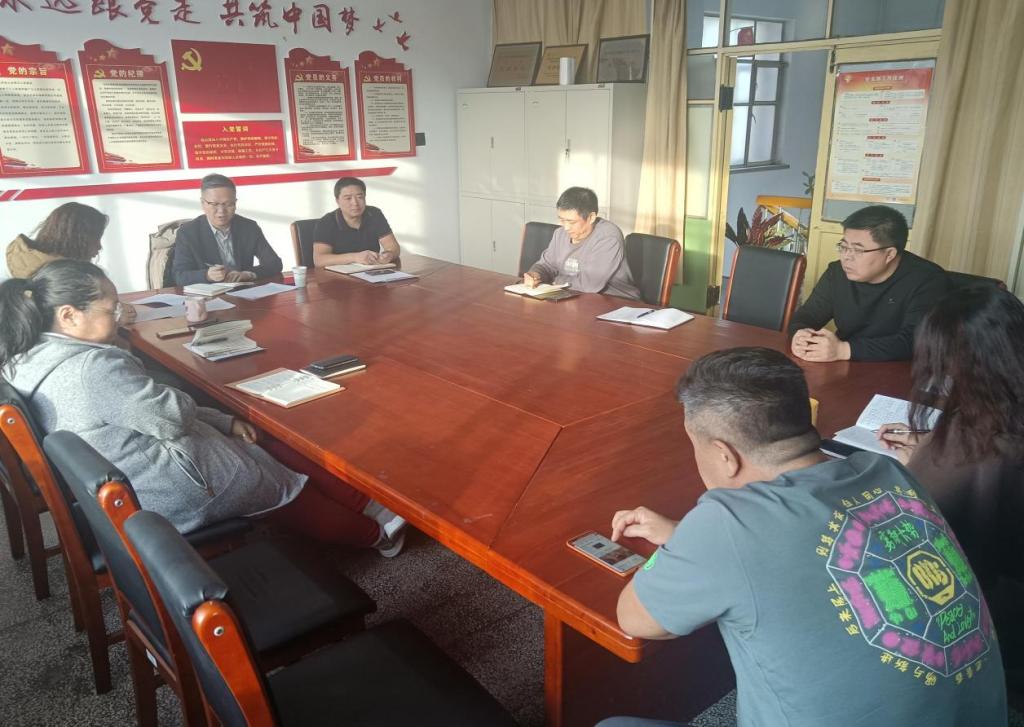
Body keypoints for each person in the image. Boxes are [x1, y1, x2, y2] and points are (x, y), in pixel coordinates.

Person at [601, 347, 1005, 727]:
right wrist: (692, 541)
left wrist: (687, 540)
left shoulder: (724, 525)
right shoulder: (889, 472)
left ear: (726, 456)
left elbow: (635, 618)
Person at [0, 260, 406, 556]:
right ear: (68, 316)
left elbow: (144, 411)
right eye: (111, 309)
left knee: (254, 434)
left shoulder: (27, 354)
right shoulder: (94, 368)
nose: (120, 316)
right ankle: (376, 533)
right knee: (274, 481)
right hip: (163, 492)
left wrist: (220, 418)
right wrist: (167, 384)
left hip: (130, 475)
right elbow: (170, 414)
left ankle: (371, 506)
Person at [877, 286, 1024, 685]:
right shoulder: (999, 415)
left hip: (981, 620)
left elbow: (917, 525)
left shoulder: (979, 440)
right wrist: (930, 449)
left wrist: (925, 461)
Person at [788, 205, 948, 362]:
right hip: (845, 364)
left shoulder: (928, 281)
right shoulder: (837, 273)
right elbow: (809, 315)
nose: (846, 257)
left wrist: (843, 350)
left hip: (899, 370)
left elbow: (914, 341)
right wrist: (800, 334)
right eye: (843, 246)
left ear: (889, 254)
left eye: (858, 250)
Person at [523, 187, 639, 300]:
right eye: (562, 220)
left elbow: (589, 284)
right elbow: (547, 265)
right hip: (573, 297)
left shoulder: (608, 237)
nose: (566, 227)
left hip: (616, 301)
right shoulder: (560, 234)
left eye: (571, 222)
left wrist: (554, 280)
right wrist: (536, 274)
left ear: (591, 217)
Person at [172, 174, 283, 286]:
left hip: (244, 291)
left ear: (235, 203)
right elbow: (179, 276)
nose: (221, 211)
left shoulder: (249, 227)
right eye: (214, 204)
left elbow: (274, 263)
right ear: (203, 203)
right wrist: (207, 275)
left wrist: (247, 274)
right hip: (210, 294)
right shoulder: (188, 232)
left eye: (228, 204)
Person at [311, 177, 401, 267]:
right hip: (338, 274)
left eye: (359, 197)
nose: (355, 203)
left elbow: (393, 247)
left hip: (371, 271)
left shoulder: (374, 214)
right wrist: (355, 257)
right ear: (337, 201)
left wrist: (389, 255)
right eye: (348, 198)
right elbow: (319, 260)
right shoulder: (326, 222)